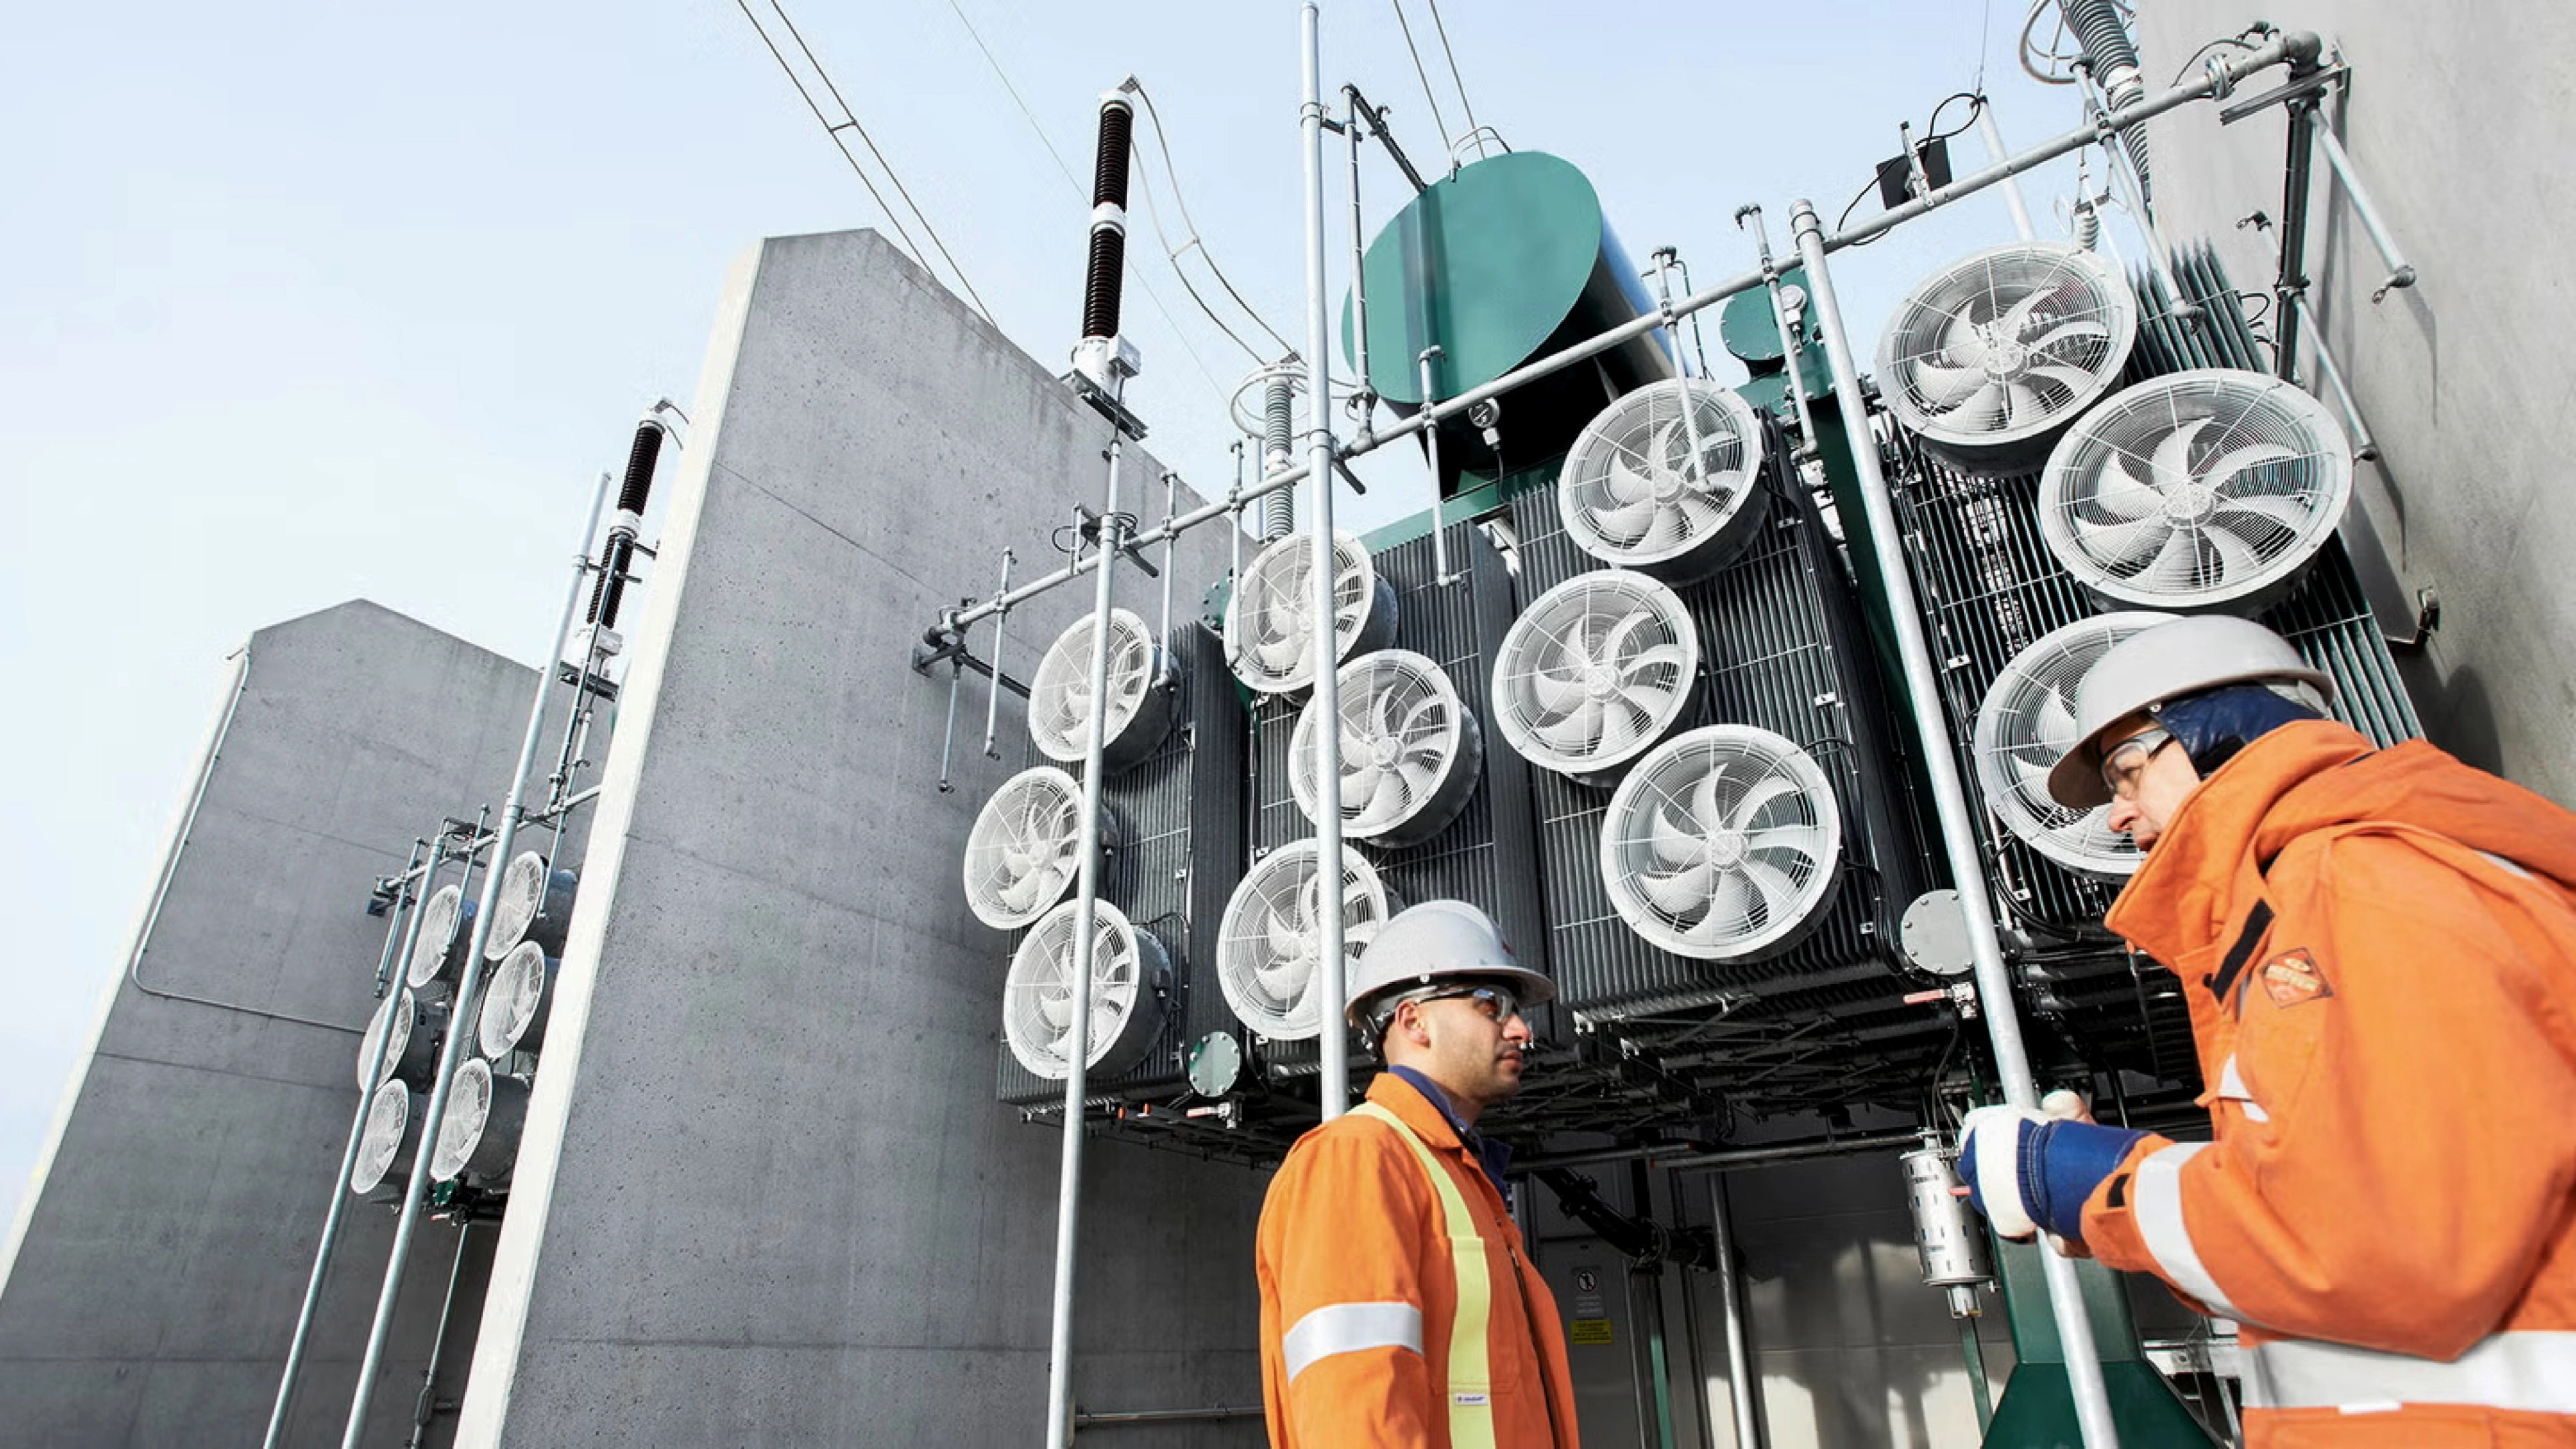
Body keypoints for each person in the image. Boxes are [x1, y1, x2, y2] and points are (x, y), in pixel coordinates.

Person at [1958, 614, 2576, 1444]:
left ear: (2215, 736)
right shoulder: (2318, 899)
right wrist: (2088, 1186)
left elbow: (2381, 1246)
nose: (2117, 816)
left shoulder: (2359, 888)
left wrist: (2093, 1184)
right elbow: (2342, 1207)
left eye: (2128, 773)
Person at [1254, 900, 1580, 1448]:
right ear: (1414, 1021)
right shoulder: (1358, 1158)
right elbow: (1354, 1419)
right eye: (1492, 1006)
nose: (1522, 1029)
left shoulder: (1457, 1175)